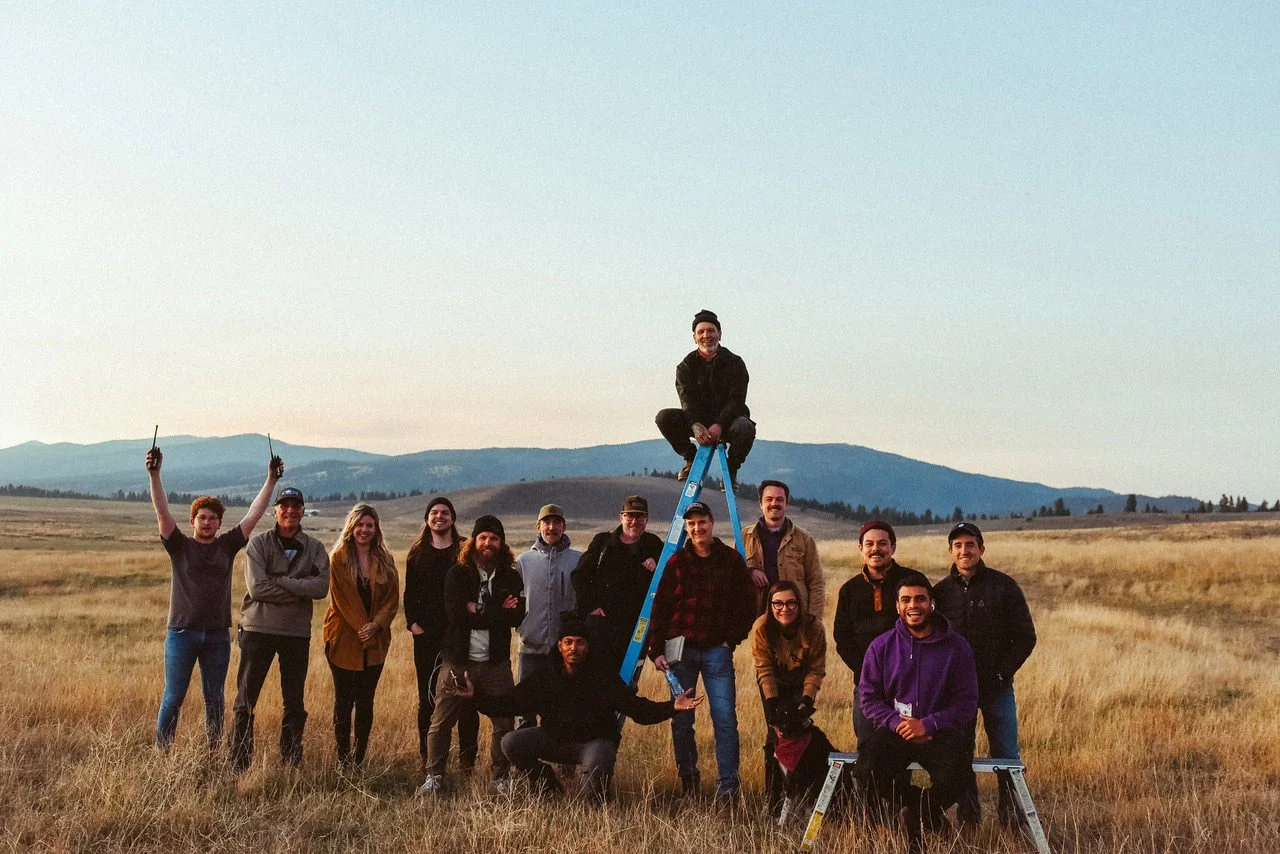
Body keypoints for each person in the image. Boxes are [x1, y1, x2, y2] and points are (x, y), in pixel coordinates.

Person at [458, 615, 703, 803]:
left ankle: (599, 791)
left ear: (588, 646)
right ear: (560, 646)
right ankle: (548, 785)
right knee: (511, 742)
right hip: (556, 740)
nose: (574, 648)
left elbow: (636, 708)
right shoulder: (545, 676)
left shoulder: (603, 675)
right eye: (568, 642)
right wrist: (475, 698)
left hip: (593, 744)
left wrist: (673, 706)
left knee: (590, 800)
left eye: (580, 642)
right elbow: (512, 703)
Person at [146, 444, 281, 749]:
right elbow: (161, 510)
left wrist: (271, 480)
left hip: (218, 635)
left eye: (212, 518)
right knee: (174, 696)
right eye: (201, 518)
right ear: (192, 521)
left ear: (220, 523)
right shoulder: (178, 545)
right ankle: (162, 753)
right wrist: (155, 474)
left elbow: (255, 513)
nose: (207, 523)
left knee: (214, 698)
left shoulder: (227, 546)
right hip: (181, 632)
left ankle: (211, 752)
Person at [855, 572, 978, 853]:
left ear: (932, 603)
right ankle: (920, 808)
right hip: (897, 730)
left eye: (920, 598)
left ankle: (918, 813)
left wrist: (929, 724)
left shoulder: (957, 647)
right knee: (866, 772)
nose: (914, 605)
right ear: (897, 606)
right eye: (906, 599)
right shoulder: (881, 646)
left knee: (959, 776)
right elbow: (869, 698)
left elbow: (967, 701)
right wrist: (898, 723)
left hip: (940, 733)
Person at [648, 501, 757, 801]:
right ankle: (689, 781)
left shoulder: (730, 560)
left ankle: (728, 790)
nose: (698, 528)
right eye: (691, 524)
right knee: (682, 719)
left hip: (716, 652)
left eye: (702, 522)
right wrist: (654, 649)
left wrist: (730, 639)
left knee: (725, 720)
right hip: (680, 653)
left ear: (712, 523)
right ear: (687, 528)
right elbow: (660, 607)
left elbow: (748, 605)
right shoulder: (676, 562)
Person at [934, 522, 1037, 829]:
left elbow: (1025, 637)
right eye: (958, 546)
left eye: (970, 545)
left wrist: (1002, 673)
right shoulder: (939, 593)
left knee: (1006, 753)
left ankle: (1013, 819)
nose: (964, 551)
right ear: (950, 551)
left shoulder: (1003, 587)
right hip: (956, 693)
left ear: (981, 548)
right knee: (960, 753)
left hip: (997, 688)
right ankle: (969, 817)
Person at [418, 515, 526, 796]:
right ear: (473, 541)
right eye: (483, 538)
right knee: (440, 722)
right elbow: (455, 615)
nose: (488, 543)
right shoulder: (458, 573)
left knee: (503, 722)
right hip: (457, 660)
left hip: (496, 664)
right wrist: (496, 612)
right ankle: (435, 777)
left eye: (494, 538)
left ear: (501, 544)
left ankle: (500, 778)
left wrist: (476, 609)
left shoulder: (510, 576)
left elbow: (516, 616)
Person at [229, 486, 331, 772]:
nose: (290, 511)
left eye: (296, 506)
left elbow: (321, 587)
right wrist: (300, 588)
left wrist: (282, 581)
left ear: (302, 511)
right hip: (257, 629)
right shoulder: (259, 544)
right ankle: (238, 763)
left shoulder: (315, 547)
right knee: (246, 699)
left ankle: (290, 761)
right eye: (284, 506)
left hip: (296, 634)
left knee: (294, 702)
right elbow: (257, 588)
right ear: (275, 511)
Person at [403, 496, 479, 776]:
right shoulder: (416, 553)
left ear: (453, 517)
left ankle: (467, 761)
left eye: (445, 512)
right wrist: (413, 624)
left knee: (466, 697)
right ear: (427, 519)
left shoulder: (464, 550)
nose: (439, 517)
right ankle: (429, 759)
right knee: (428, 698)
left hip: (460, 634)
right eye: (434, 512)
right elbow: (409, 595)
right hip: (427, 638)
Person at [322, 503, 400, 771]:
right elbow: (343, 601)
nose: (365, 530)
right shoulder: (339, 557)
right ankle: (343, 760)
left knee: (366, 700)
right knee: (344, 700)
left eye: (370, 525)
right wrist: (363, 628)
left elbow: (392, 599)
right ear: (351, 527)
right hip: (343, 639)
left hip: (376, 642)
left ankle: (359, 758)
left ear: (376, 528)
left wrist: (376, 625)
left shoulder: (386, 559)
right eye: (360, 525)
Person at [832, 520, 915, 747]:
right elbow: (842, 638)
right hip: (867, 683)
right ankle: (871, 785)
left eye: (882, 543)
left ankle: (901, 785)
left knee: (904, 742)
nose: (875, 549)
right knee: (867, 743)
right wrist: (866, 670)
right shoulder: (849, 590)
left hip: (907, 681)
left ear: (893, 547)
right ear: (861, 549)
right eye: (869, 544)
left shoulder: (912, 582)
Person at [655, 309, 755, 485]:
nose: (706, 335)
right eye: (701, 332)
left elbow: (737, 400)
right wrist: (695, 424)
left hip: (729, 420)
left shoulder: (735, 363)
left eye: (711, 330)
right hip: (697, 421)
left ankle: (731, 470)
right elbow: (686, 400)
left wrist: (719, 424)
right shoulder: (685, 366)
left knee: (745, 427)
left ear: (719, 334)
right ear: (694, 337)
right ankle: (691, 459)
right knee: (664, 418)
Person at [750, 580, 827, 808]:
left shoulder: (814, 628)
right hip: (773, 680)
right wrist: (772, 703)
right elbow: (764, 669)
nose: (785, 609)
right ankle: (772, 799)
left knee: (801, 731)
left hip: (801, 679)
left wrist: (806, 699)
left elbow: (816, 669)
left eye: (791, 603)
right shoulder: (761, 628)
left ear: (799, 604)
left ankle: (803, 790)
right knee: (775, 734)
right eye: (778, 603)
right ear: (770, 605)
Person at [571, 495, 663, 675]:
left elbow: (670, 572)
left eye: (640, 516)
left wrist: (658, 562)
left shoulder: (654, 544)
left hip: (636, 630)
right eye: (630, 516)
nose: (634, 521)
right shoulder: (602, 543)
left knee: (629, 682)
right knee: (598, 679)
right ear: (621, 517)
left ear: (646, 519)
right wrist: (591, 606)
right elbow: (579, 575)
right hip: (602, 627)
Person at [514, 503, 581, 727]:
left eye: (557, 523)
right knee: (525, 709)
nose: (551, 527)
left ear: (564, 526)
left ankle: (565, 760)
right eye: (546, 522)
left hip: (563, 653)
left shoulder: (578, 560)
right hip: (530, 649)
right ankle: (526, 761)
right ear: (538, 525)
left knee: (564, 708)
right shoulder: (523, 562)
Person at [742, 480, 826, 617]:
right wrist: (749, 571)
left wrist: (813, 621)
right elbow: (733, 575)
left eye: (779, 499)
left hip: (794, 619)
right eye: (769, 499)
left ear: (787, 503)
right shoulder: (744, 537)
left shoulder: (804, 539)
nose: (774, 503)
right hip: (756, 619)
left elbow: (816, 583)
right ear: (760, 504)